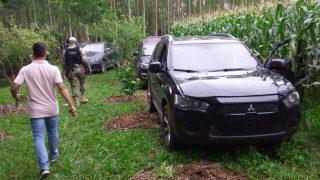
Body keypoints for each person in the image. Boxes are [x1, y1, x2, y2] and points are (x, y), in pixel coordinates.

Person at [10, 42, 77, 179]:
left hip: (36, 111)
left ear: (32, 54)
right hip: (52, 108)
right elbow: (62, 88)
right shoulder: (53, 69)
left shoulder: (26, 69)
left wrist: (16, 96)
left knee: (38, 137)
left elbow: (14, 86)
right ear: (46, 53)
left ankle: (44, 167)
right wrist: (72, 106)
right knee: (52, 131)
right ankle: (54, 156)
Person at [63, 37, 91, 106]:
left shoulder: (65, 51)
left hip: (71, 70)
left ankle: (76, 101)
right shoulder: (79, 49)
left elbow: (64, 63)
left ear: (69, 42)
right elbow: (84, 60)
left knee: (73, 85)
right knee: (82, 82)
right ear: (75, 42)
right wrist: (88, 67)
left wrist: (65, 71)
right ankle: (83, 98)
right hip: (80, 68)